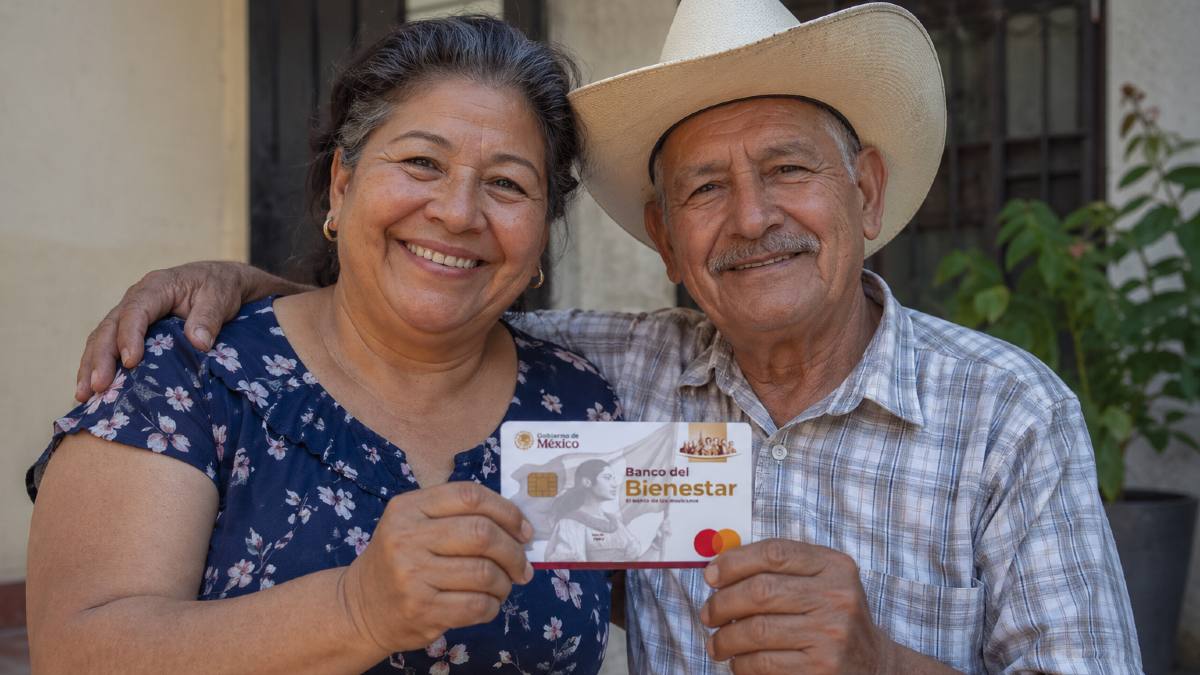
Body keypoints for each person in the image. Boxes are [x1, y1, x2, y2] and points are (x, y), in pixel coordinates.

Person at [70, 1, 1143, 673]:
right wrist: (248, 287)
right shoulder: (613, 380)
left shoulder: (1006, 411)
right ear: (669, 241)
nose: (753, 217)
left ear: (864, 190)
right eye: (706, 191)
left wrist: (882, 666)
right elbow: (421, 299)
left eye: (788, 169)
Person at [26, 16, 622, 674]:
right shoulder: (186, 376)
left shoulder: (578, 404)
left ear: (541, 230)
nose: (457, 212)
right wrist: (353, 608)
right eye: (423, 162)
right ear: (343, 183)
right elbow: (76, 653)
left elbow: (661, 589)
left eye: (508, 183)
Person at [544, 460, 644, 562]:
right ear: (587, 482)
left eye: (614, 478)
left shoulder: (615, 522)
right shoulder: (571, 523)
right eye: (607, 478)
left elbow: (633, 555)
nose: (614, 484)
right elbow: (570, 563)